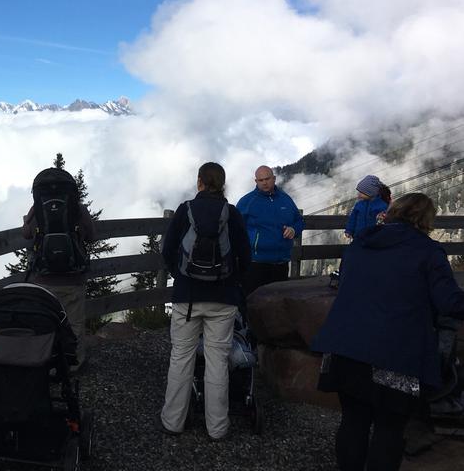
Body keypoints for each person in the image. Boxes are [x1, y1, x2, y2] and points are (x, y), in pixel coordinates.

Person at [311, 193, 464, 471]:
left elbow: (343, 284)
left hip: (345, 348)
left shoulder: (360, 243)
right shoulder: (428, 252)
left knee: (353, 421)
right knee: (390, 427)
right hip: (397, 355)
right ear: (425, 220)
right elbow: (449, 303)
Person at [160, 162, 251, 440]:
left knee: (181, 358)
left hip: (187, 298)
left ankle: (173, 421)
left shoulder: (185, 210)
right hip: (223, 300)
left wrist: (181, 276)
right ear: (222, 184)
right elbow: (245, 256)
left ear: (199, 182)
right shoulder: (231, 214)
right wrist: (232, 282)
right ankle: (217, 427)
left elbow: (167, 250)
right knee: (217, 361)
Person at [22, 167, 95, 368]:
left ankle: (48, 362)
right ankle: (74, 364)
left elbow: (26, 234)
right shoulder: (78, 209)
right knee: (75, 323)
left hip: (44, 278)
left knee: (46, 322)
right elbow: (91, 236)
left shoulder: (36, 208)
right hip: (73, 277)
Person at [236, 165, 304, 296]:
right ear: (256, 182)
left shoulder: (286, 199)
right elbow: (235, 228)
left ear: (274, 178)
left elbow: (299, 221)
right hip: (256, 264)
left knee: (278, 304)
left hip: (281, 263)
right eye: (260, 180)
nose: (264, 183)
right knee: (252, 304)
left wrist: (294, 230)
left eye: (267, 179)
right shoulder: (247, 202)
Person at [344, 174, 390, 239]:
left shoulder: (382, 205)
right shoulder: (359, 205)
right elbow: (352, 219)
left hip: (375, 237)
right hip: (359, 236)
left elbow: (386, 219)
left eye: (361, 192)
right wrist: (349, 230)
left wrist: (382, 216)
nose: (358, 195)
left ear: (370, 192)